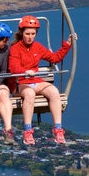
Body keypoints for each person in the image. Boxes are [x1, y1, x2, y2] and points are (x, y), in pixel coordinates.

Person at [8, 15, 77, 145]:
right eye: (27, 33)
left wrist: (67, 44)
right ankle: (28, 131)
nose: (30, 37)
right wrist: (24, 72)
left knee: (53, 91)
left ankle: (58, 129)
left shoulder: (37, 47)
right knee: (29, 93)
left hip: (34, 81)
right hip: (20, 83)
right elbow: (13, 67)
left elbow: (55, 58)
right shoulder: (15, 48)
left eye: (33, 34)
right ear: (22, 33)